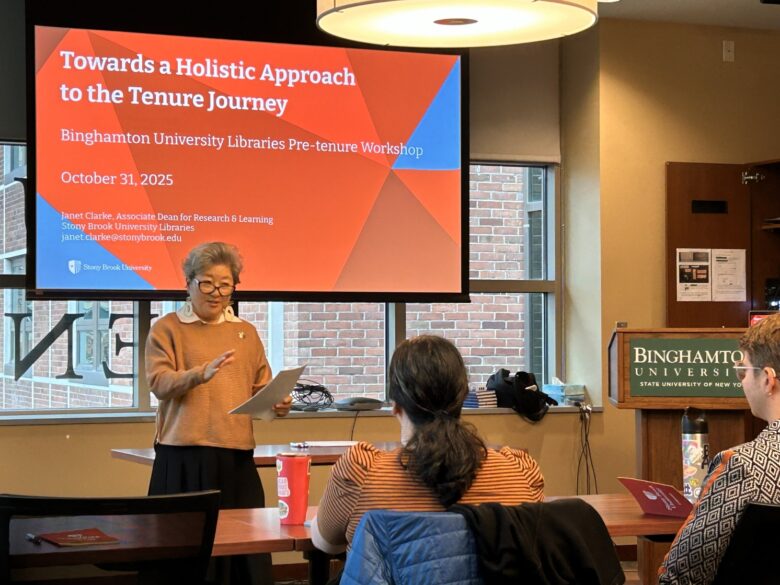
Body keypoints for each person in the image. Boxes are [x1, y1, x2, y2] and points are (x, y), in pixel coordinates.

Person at [311, 334, 545, 553]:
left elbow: (326, 544)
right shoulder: (520, 472)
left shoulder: (360, 472)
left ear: (395, 404)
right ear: (462, 398)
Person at [145, 241, 292, 583]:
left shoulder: (246, 333)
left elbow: (261, 390)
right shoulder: (167, 328)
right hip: (183, 456)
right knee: (184, 552)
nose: (216, 293)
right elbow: (159, 383)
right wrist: (199, 374)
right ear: (189, 282)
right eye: (207, 283)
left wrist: (278, 404)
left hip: (236, 457)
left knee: (245, 553)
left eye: (225, 286)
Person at [659, 313, 780, 584]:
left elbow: (682, 574)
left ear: (768, 379)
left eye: (743, 371)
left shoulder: (743, 466)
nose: (741, 381)